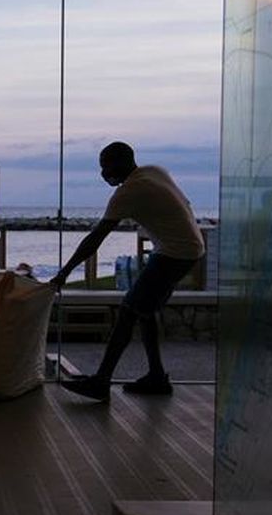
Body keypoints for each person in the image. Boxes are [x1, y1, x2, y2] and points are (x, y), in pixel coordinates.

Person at [49, 142, 205, 403]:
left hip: (174, 252)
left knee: (128, 310)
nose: (103, 174)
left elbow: (94, 240)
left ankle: (101, 382)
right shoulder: (154, 171)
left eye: (105, 167)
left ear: (119, 165)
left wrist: (64, 273)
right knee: (145, 312)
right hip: (187, 248)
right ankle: (156, 377)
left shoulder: (128, 192)